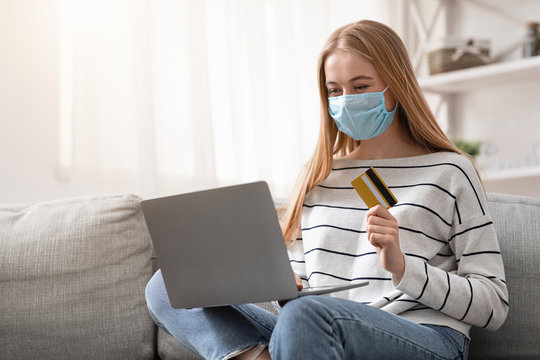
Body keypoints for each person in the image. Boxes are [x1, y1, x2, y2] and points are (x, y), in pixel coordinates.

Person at [145, 19, 509, 360]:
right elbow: (298, 304)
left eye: (361, 86)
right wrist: (281, 287)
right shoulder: (319, 176)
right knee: (167, 286)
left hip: (422, 336)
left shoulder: (449, 171)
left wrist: (402, 266)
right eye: (335, 90)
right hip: (317, 330)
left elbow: (493, 305)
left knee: (307, 316)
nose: (346, 100)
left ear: (396, 85)